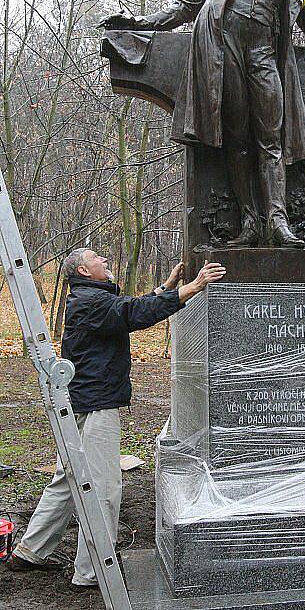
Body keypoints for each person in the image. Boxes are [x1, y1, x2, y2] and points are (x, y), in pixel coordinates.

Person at [101, 0, 305, 248]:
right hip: (225, 52)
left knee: (271, 140)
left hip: (264, 55)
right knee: (237, 141)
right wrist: (141, 23)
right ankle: (252, 224)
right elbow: (188, 5)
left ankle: (278, 224)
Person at [6, 248, 226, 587]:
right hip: (95, 404)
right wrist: (191, 287)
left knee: (68, 481)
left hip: (82, 400)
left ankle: (30, 550)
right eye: (98, 259)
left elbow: (123, 310)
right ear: (84, 269)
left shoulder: (88, 299)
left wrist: (164, 289)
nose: (105, 261)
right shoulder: (89, 302)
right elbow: (130, 313)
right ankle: (93, 572)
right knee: (104, 488)